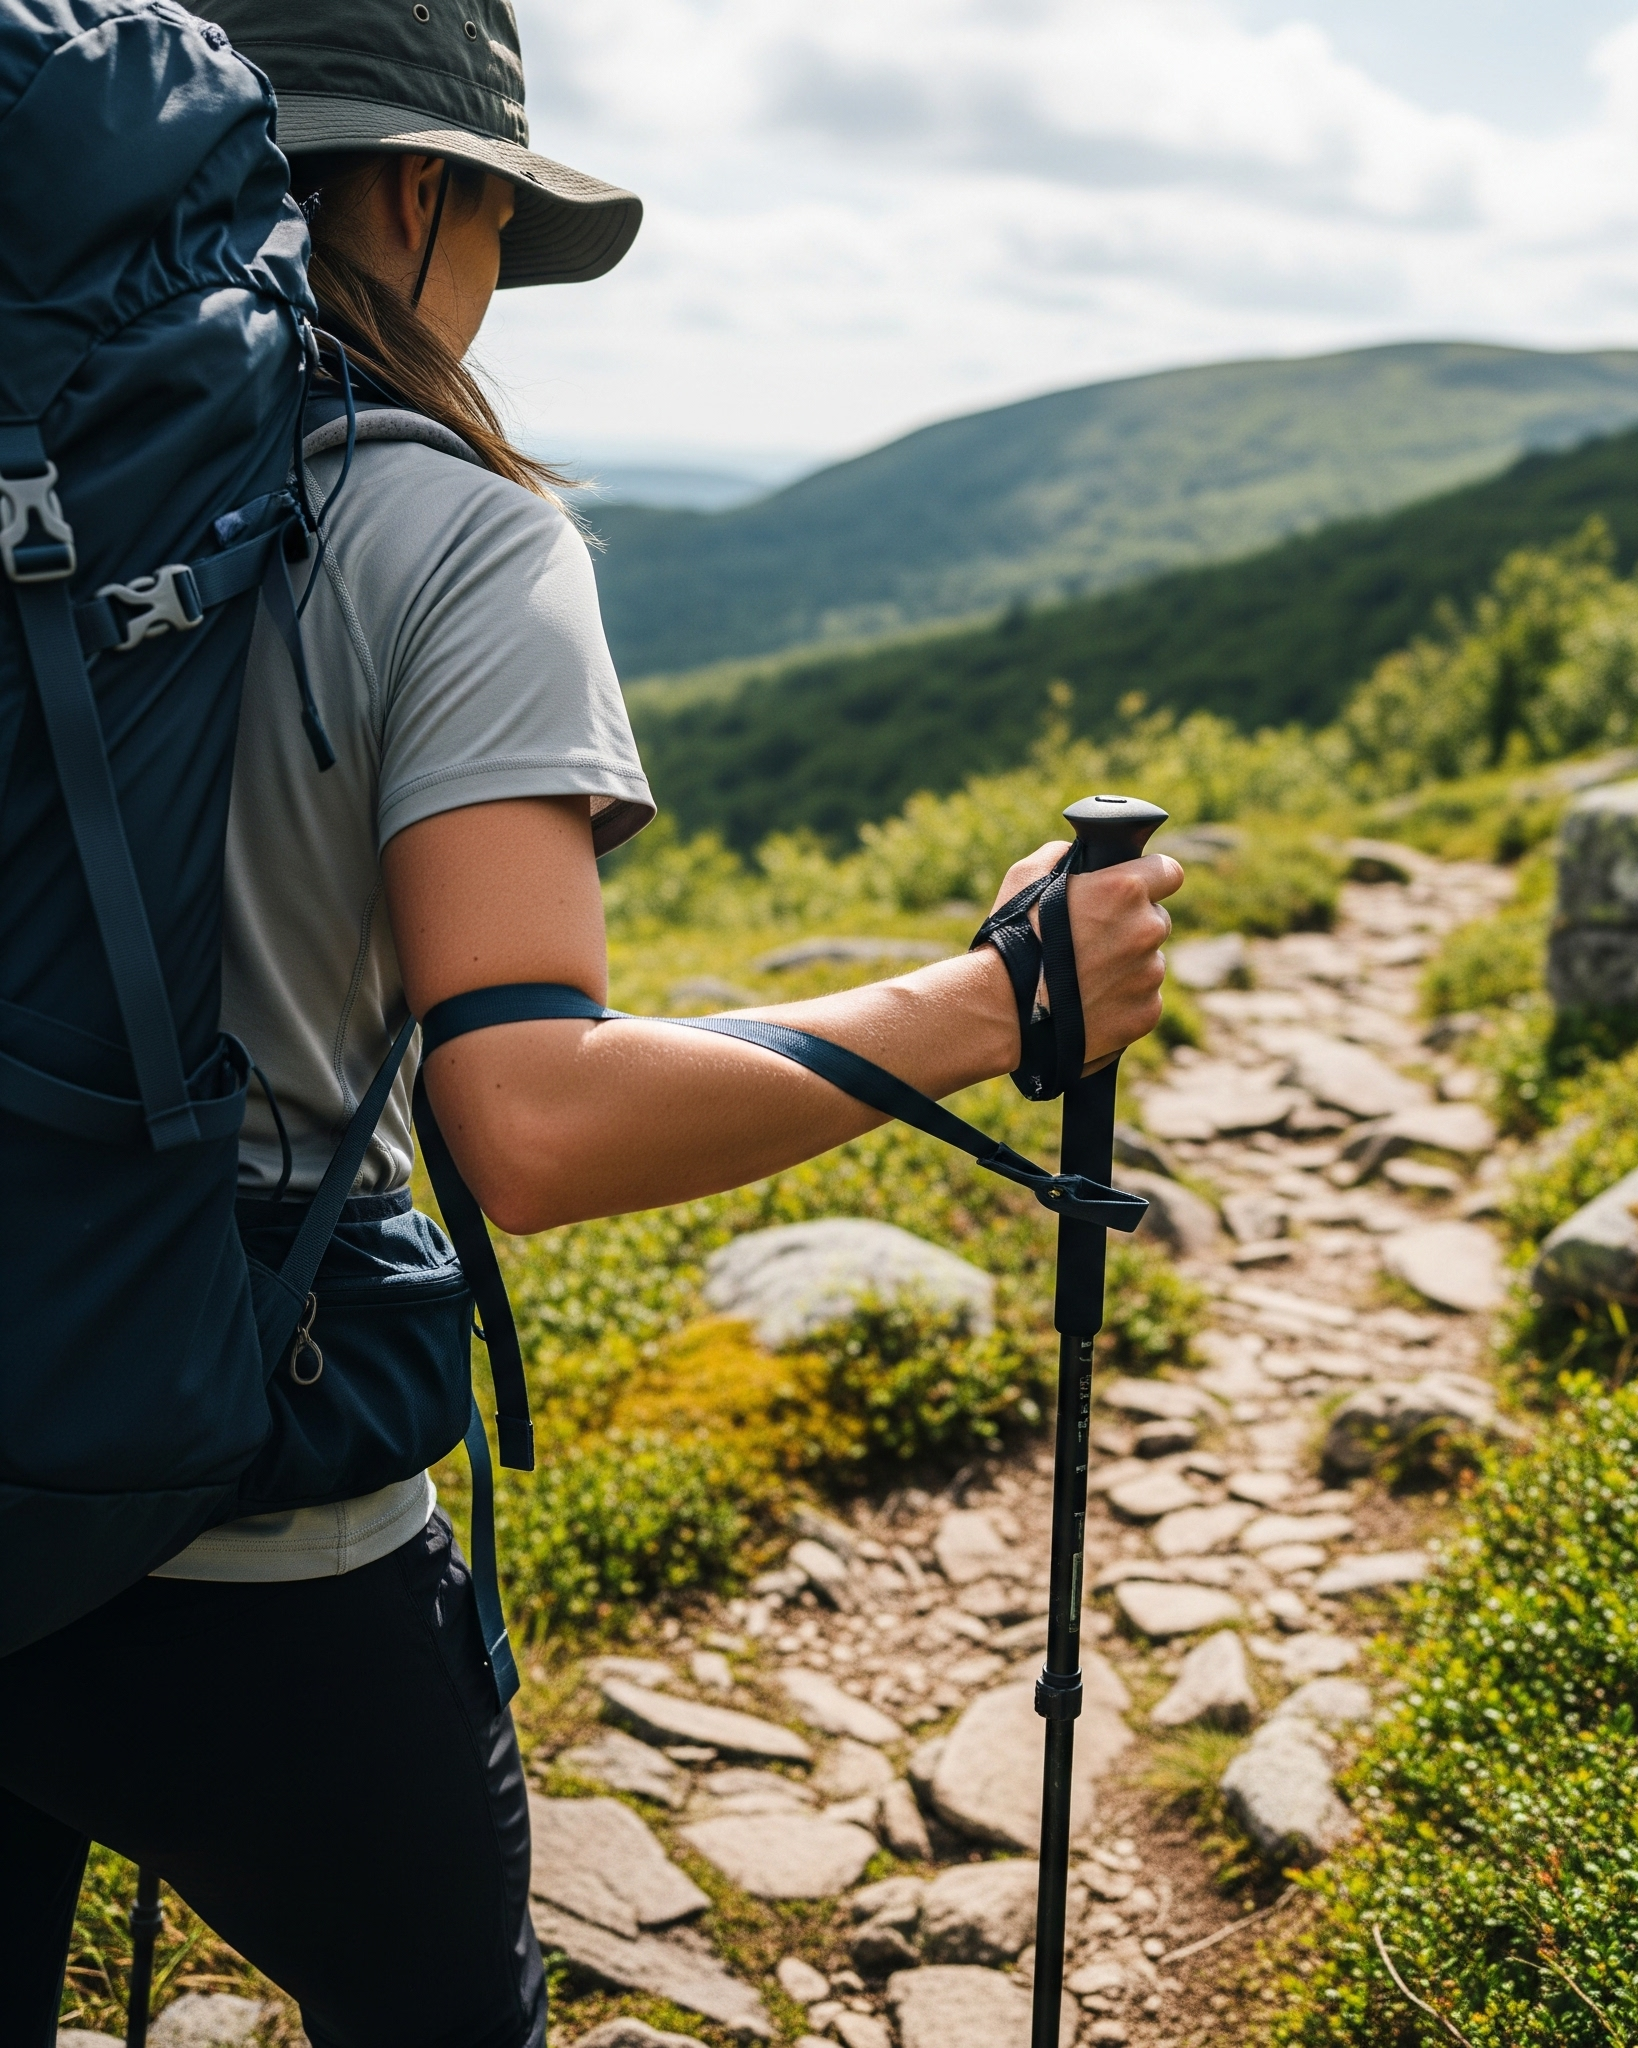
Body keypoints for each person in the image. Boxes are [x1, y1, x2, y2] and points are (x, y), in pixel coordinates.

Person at [0, 4, 1181, 2044]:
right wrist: (1000, 1000)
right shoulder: (452, 533)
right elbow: (529, 1120)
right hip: (251, 1538)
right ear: (423, 188)